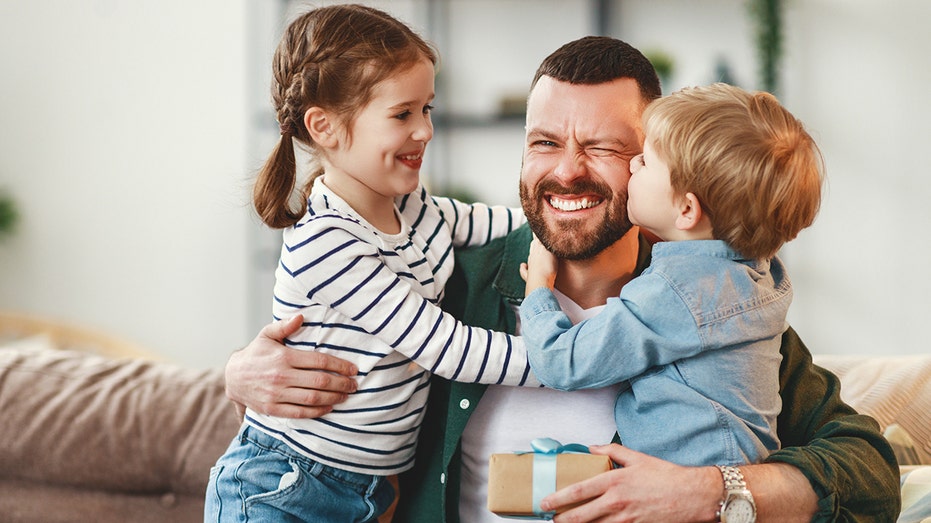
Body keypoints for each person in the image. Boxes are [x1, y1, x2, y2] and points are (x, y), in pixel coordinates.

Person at [224, 36, 901, 522]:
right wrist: (238, 375)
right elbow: (301, 426)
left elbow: (868, 469)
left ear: (662, 174)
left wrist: (711, 492)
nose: (566, 171)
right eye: (545, 142)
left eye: (605, 148)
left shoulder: (713, 308)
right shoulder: (448, 281)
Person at [205, 5, 538, 522]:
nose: (425, 130)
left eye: (427, 108)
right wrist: (565, 359)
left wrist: (572, 211)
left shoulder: (413, 206)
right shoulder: (327, 242)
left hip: (366, 491)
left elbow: (509, 223)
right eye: (402, 114)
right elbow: (442, 346)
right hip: (286, 487)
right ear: (326, 127)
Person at [519, 82, 824, 471]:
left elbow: (562, 362)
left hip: (689, 489)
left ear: (686, 209)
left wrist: (538, 288)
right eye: (545, 142)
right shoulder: (757, 277)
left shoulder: (677, 292)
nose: (633, 165)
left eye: (644, 161)